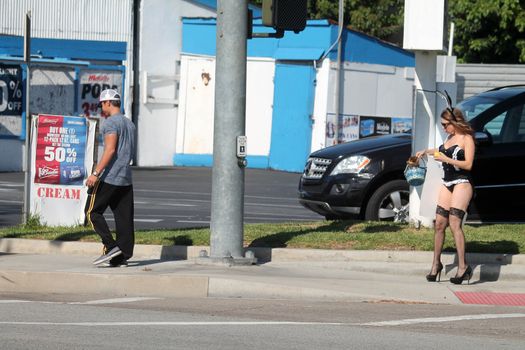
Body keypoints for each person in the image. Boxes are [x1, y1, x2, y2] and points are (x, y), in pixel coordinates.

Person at [415, 107, 475, 285]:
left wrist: (446, 160)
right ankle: (436, 264)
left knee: (455, 222)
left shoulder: (466, 138)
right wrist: (426, 151)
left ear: (454, 122)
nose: (443, 128)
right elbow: (442, 151)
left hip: (462, 182)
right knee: (440, 223)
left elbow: (469, 164)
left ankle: (463, 267)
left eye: (445, 124)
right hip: (447, 182)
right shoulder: (449, 138)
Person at [85, 89, 136, 267]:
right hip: (125, 179)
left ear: (107, 103)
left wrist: (95, 173)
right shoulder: (130, 124)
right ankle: (121, 257)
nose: (101, 108)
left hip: (110, 177)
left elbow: (110, 149)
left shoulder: (110, 123)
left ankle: (110, 246)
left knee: (92, 212)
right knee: (124, 219)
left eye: (102, 104)